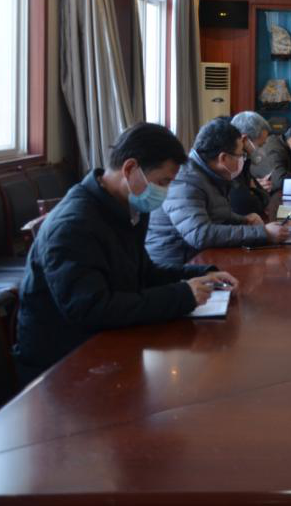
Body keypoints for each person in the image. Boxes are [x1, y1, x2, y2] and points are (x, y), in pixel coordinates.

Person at [13, 122, 239, 384]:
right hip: (62, 366)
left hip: (109, 344)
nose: (165, 192)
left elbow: (143, 273)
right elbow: (92, 309)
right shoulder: (73, 225)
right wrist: (183, 295)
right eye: (163, 182)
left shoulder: (128, 205)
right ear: (130, 169)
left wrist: (202, 275)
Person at [146, 117, 290, 266]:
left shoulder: (209, 173)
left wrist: (244, 220)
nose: (243, 159)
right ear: (223, 158)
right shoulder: (185, 181)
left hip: (199, 257)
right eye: (240, 155)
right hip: (176, 265)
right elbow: (200, 234)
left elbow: (217, 213)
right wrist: (264, 233)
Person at [229, 111, 272, 219]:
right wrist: (254, 191)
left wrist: (254, 191)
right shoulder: (231, 164)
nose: (262, 151)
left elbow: (265, 197)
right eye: (260, 145)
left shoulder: (245, 161)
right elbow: (247, 205)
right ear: (244, 140)